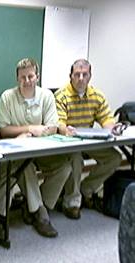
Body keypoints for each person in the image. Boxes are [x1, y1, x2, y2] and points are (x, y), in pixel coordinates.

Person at [0, 58, 71, 238]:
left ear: (37, 77)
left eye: (30, 76)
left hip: (43, 150)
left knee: (65, 167)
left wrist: (38, 133)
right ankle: (39, 213)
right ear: (17, 78)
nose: (27, 81)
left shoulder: (47, 96)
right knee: (24, 166)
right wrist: (29, 129)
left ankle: (33, 203)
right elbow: (3, 129)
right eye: (22, 77)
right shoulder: (7, 97)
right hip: (18, 153)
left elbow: (52, 126)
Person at [55, 58, 121, 219]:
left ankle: (86, 189)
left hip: (89, 138)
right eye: (77, 74)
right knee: (76, 158)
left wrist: (111, 127)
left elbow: (106, 119)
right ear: (70, 76)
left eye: (85, 74)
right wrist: (65, 129)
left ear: (90, 76)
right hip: (68, 142)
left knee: (115, 157)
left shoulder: (97, 95)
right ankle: (72, 202)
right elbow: (59, 124)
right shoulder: (61, 95)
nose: (81, 78)